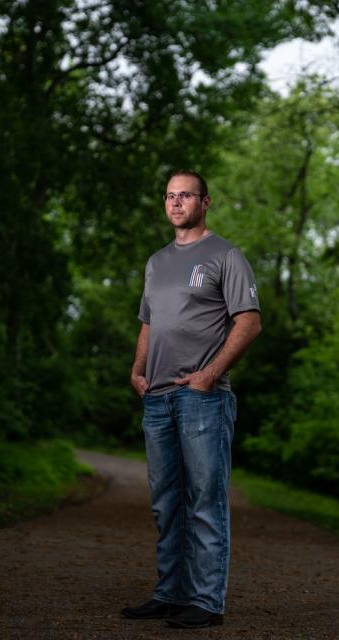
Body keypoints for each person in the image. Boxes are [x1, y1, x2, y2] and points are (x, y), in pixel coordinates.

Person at [121, 169, 262, 629]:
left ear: (206, 202)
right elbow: (149, 321)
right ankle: (170, 594)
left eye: (186, 196)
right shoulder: (157, 261)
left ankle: (205, 601)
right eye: (169, 196)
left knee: (205, 500)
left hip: (201, 398)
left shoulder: (225, 255)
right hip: (157, 399)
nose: (176, 203)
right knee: (166, 502)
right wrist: (138, 370)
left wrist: (209, 375)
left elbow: (249, 322)